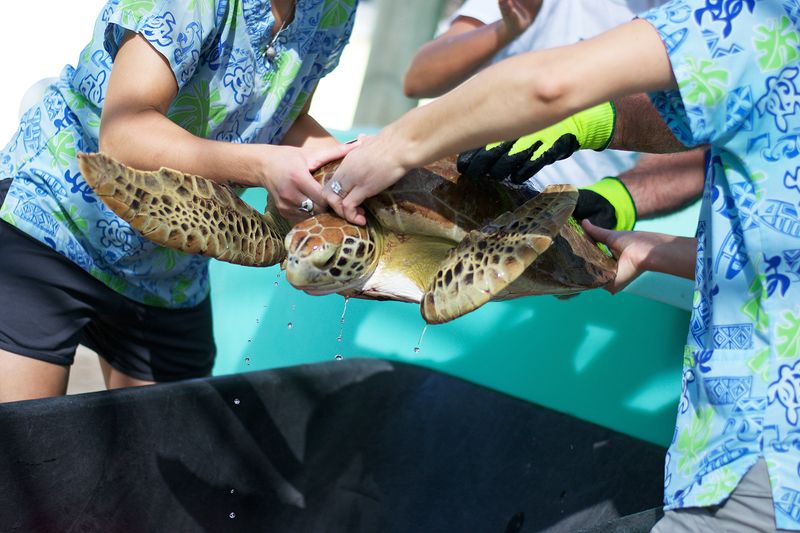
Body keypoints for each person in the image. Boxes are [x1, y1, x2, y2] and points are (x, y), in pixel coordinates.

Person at [323, 1, 800, 530]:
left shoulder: (764, 16)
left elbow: (550, 86)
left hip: (762, 453)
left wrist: (398, 143)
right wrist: (655, 248)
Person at [0, 0, 358, 402]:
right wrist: (262, 166)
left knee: (179, 448)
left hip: (173, 257)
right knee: (27, 449)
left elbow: (284, 113)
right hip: (56, 217)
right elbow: (124, 135)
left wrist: (351, 170)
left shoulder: (336, 7)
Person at [403, 0, 704, 230]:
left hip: (565, 227)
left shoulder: (705, 21)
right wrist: (505, 30)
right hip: (457, 195)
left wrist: (617, 200)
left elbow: (708, 137)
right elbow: (419, 78)